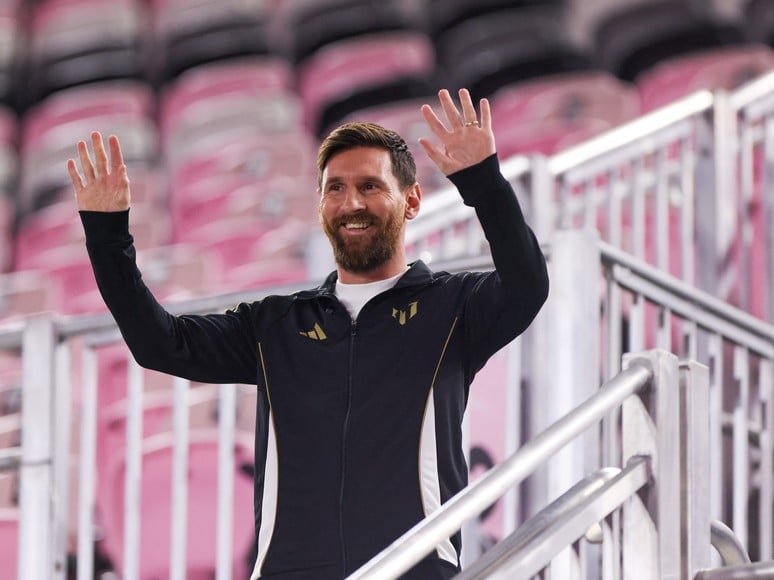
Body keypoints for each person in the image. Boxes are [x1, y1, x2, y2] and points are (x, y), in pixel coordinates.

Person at [69, 88, 549, 580]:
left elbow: (527, 286)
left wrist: (484, 183)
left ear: (411, 200)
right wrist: (108, 236)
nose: (351, 202)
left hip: (412, 569)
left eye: (369, 186)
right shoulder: (274, 324)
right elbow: (158, 344)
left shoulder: (453, 307)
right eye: (335, 189)